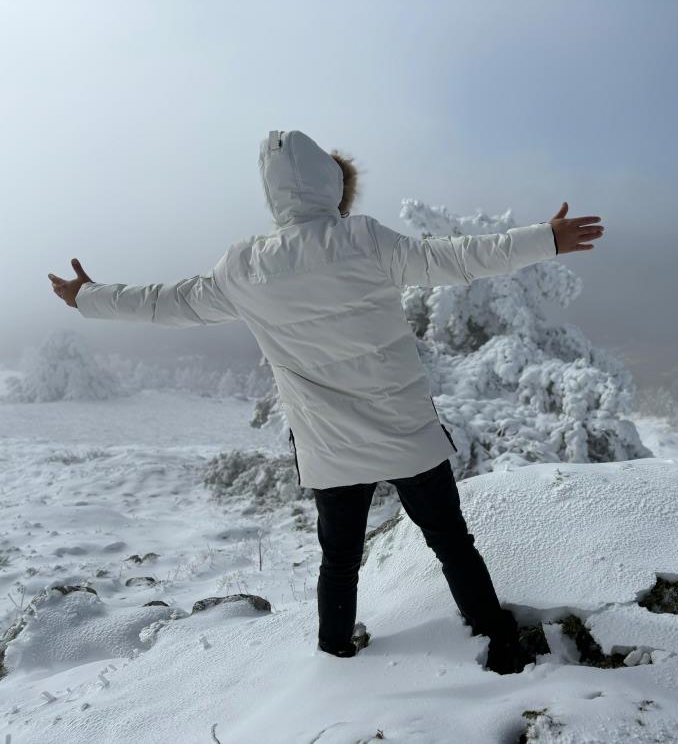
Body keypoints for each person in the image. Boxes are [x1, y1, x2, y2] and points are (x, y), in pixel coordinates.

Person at [47, 129, 604, 674]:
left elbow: (163, 304)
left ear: (272, 194)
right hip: (406, 433)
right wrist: (546, 239)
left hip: (329, 447)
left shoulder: (244, 268)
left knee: (339, 562)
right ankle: (499, 641)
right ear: (333, 185)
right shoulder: (365, 240)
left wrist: (87, 298)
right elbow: (459, 257)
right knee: (453, 546)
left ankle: (336, 656)